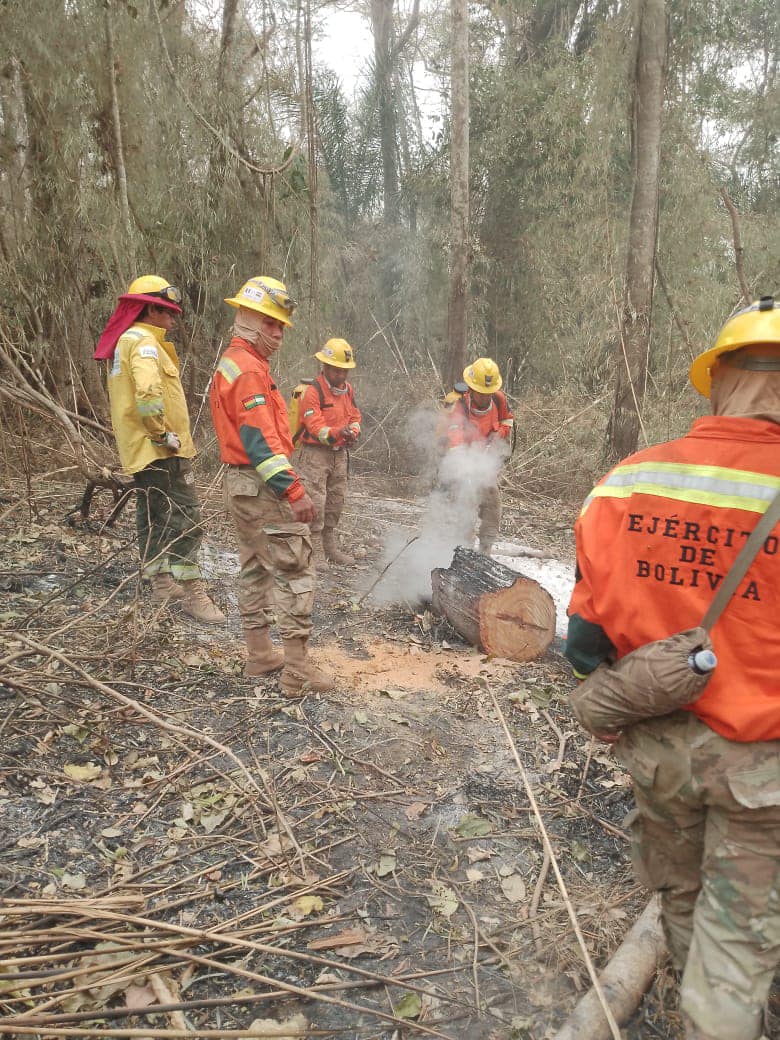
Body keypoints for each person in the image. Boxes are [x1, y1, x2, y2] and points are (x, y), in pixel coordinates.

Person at [565, 297, 780, 1040]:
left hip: (658, 748)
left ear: (718, 380)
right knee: (739, 941)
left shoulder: (626, 484)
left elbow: (583, 645)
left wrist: (616, 697)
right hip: (764, 769)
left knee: (682, 896)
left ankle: (692, 991)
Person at [209, 276, 333, 694]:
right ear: (245, 317)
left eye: (281, 327)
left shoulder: (239, 362)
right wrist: (294, 492)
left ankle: (260, 655)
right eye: (270, 324)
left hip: (243, 485)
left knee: (255, 568)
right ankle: (297, 673)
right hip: (262, 486)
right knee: (294, 569)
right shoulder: (246, 370)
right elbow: (259, 443)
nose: (277, 335)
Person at [94, 275, 225, 624]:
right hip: (162, 450)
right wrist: (162, 434)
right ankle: (193, 593)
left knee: (151, 514)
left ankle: (161, 582)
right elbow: (149, 394)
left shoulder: (127, 341)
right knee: (186, 516)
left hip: (142, 450)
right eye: (167, 312)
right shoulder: (144, 344)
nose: (173, 318)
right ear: (150, 309)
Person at [294, 338, 361, 567]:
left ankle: (330, 544)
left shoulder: (348, 390)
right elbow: (315, 427)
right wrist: (338, 432)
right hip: (315, 454)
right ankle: (315, 548)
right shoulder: (312, 392)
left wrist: (352, 430)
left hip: (339, 454)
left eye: (345, 371)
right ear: (325, 366)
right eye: (336, 370)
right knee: (316, 500)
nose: (341, 375)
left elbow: (355, 416)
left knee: (336, 499)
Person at [442, 357, 514, 555]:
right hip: (464, 461)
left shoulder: (499, 399)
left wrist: (498, 434)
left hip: (486, 461)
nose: (485, 397)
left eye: (488, 393)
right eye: (481, 393)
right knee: (466, 504)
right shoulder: (459, 404)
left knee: (492, 503)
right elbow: (454, 433)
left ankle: (485, 551)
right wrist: (462, 462)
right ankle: (463, 551)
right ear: (472, 389)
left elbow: (508, 421)